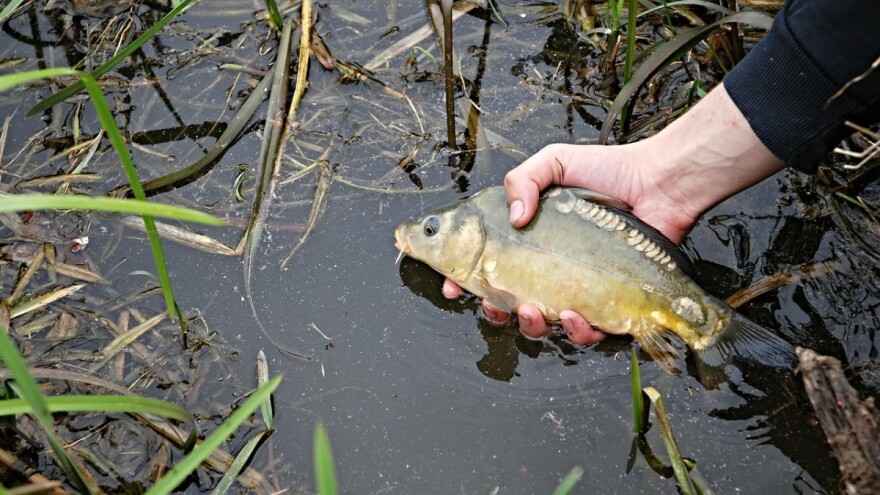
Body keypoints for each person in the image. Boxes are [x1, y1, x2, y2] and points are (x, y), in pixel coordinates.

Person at [443, 0, 880, 345]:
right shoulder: (490, 221)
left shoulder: (491, 216)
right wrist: (662, 174)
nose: (425, 235)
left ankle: (708, 330)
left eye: (433, 229)